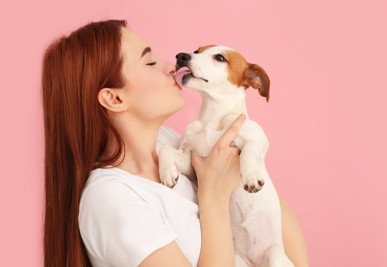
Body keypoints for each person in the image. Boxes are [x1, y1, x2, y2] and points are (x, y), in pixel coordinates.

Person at [42, 20, 309, 267]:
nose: (172, 65)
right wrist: (213, 197)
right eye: (149, 63)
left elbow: (272, 205)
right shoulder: (111, 200)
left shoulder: (169, 141)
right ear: (114, 99)